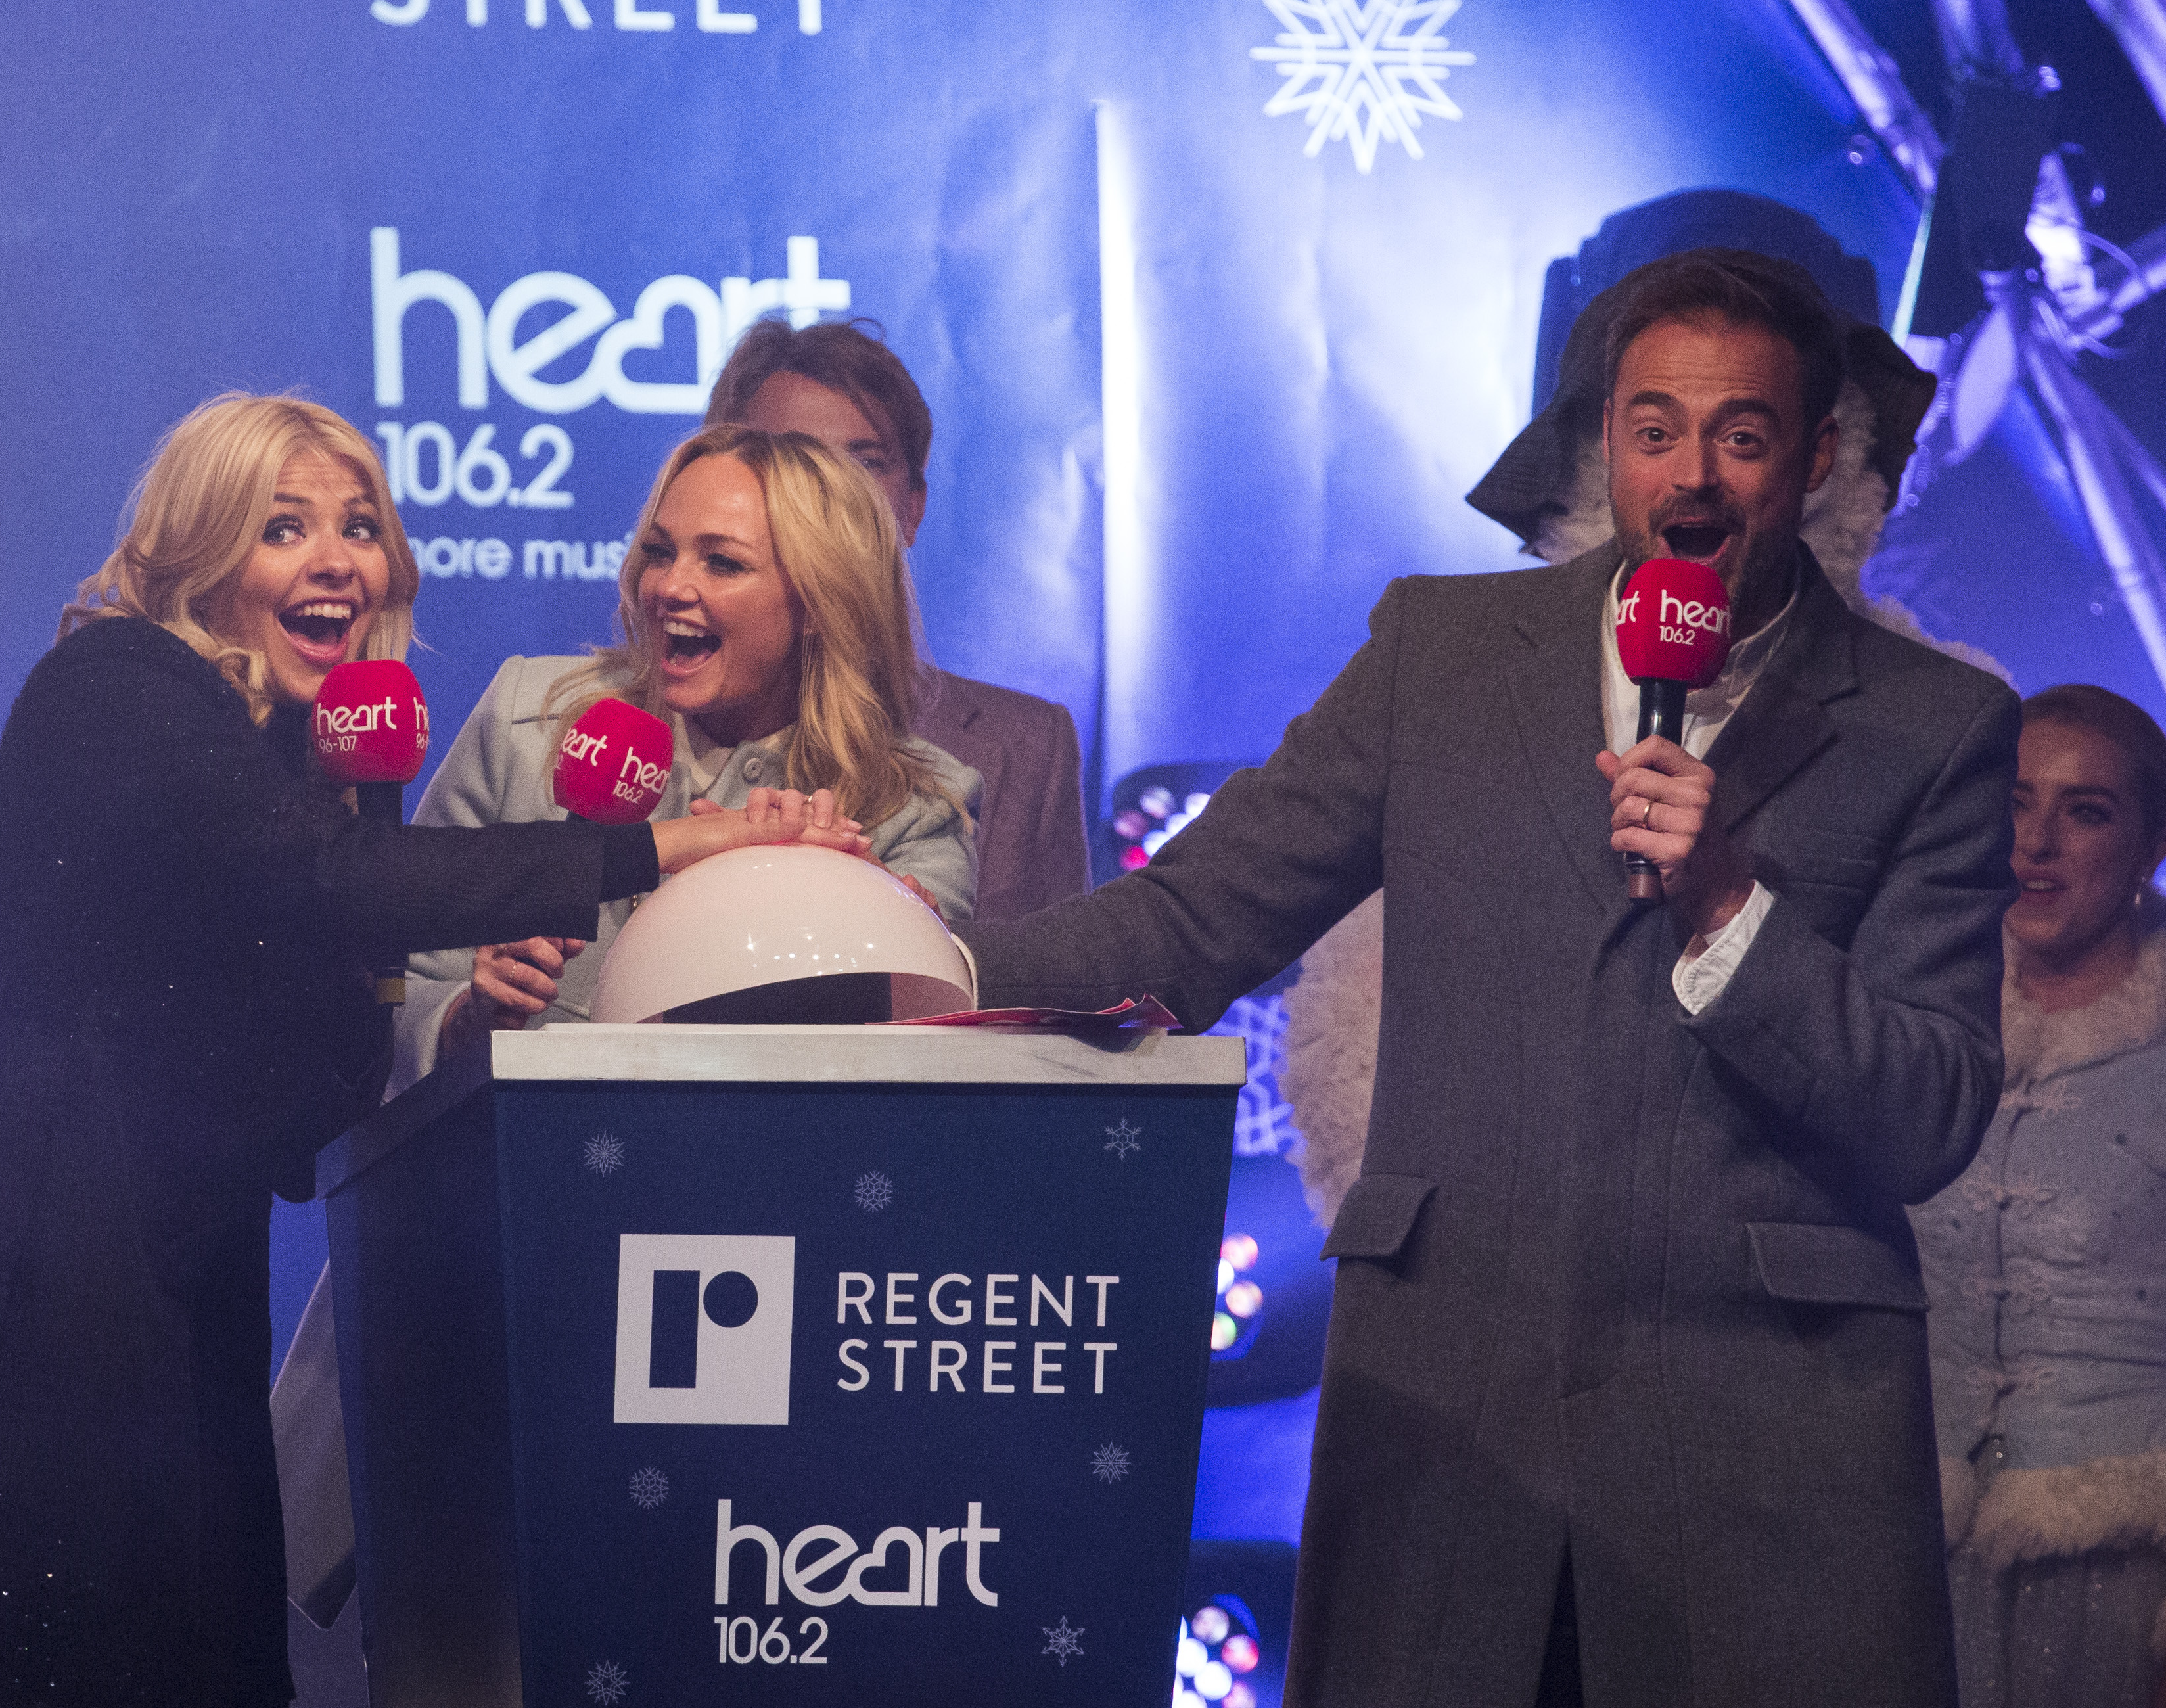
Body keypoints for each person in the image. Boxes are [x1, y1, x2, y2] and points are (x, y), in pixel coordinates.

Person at [957, 250, 2019, 1705]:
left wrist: (1726, 904)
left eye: (1741, 434)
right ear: (1606, 445)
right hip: (1451, 1430)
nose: (1692, 476)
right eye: (1654, 429)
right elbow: (1193, 917)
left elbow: (1930, 1109)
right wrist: (901, 959)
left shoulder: (1938, 724)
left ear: (1817, 457)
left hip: (1766, 1453)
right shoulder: (1440, 653)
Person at [0, 394, 860, 1707]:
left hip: (176, 1282)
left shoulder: (310, 762)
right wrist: (659, 845)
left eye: (360, 527)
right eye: (284, 527)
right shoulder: (119, 685)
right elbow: (326, 882)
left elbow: (318, 1102)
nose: (337, 561)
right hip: (19, 1264)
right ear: (201, 552)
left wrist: (465, 991)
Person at [395, 421, 980, 1068]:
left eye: (722, 562)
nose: (669, 587)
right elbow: (394, 988)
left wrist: (846, 890)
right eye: (659, 551)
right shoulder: (527, 717)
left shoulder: (915, 810)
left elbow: (918, 1056)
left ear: (819, 601)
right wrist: (467, 1018)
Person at [1912, 684, 2166, 1708]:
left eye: (2084, 810)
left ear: (2148, 847)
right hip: (1904, 1560)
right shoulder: (1910, 1025)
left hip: (2116, 1577)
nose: (2034, 843)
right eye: (2011, 802)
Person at [705, 315, 1091, 922]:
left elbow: (1057, 974)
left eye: (863, 464)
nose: (830, 495)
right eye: (790, 461)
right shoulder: (605, 729)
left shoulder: (1025, 745)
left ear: (912, 507)